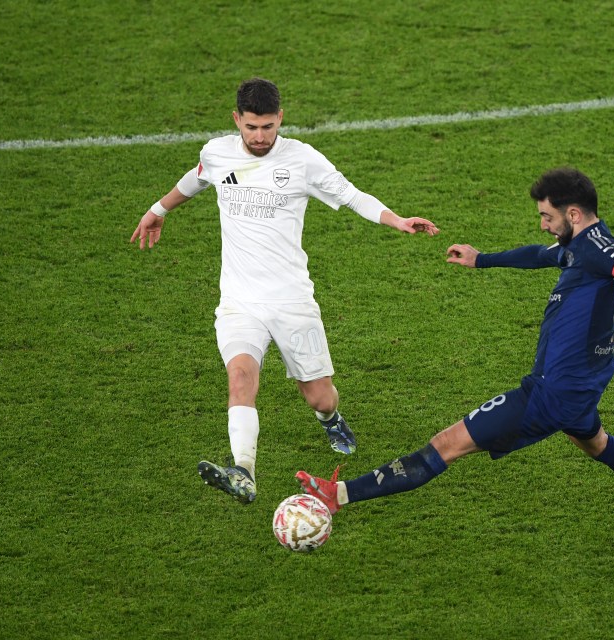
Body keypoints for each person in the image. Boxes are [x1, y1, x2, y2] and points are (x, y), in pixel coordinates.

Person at [297, 167, 614, 514]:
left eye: (546, 215)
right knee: (596, 443)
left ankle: (338, 495)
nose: (542, 223)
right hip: (579, 385)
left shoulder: (603, 251)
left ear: (573, 214)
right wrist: (483, 260)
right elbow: (543, 255)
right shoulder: (579, 244)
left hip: (551, 392)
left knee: (446, 445)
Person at [131, 77, 439, 505]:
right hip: (239, 301)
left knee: (319, 394)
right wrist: (158, 209)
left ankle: (330, 419)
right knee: (240, 379)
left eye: (269, 127)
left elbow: (351, 196)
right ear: (236, 120)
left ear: (281, 120)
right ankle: (244, 471)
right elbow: (198, 177)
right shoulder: (217, 152)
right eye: (252, 127)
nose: (260, 137)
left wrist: (397, 219)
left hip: (292, 301)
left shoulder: (303, 160)